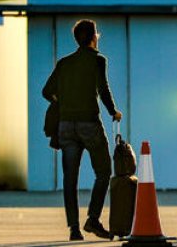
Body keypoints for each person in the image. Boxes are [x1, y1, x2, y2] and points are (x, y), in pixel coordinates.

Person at [41, 18, 122, 241]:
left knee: (70, 179)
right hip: (89, 124)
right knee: (104, 171)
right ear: (93, 37)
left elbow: (46, 91)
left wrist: (64, 99)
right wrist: (113, 111)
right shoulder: (98, 60)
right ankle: (93, 219)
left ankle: (74, 229)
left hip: (66, 126)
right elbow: (103, 89)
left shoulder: (64, 63)